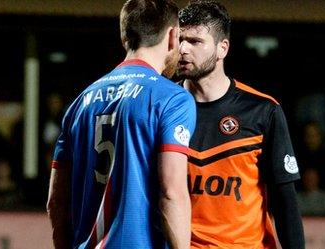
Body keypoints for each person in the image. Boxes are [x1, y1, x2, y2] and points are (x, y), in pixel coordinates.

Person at [46, 0, 196, 248]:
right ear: (172, 36)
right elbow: (172, 192)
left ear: (124, 37)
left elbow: (55, 202)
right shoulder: (172, 98)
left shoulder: (80, 102)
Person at [176, 1, 304, 248]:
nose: (183, 48)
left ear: (222, 48)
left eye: (195, 41)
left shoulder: (263, 110)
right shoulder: (161, 108)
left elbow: (285, 201)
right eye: (180, 39)